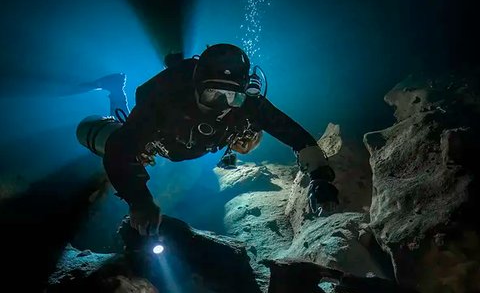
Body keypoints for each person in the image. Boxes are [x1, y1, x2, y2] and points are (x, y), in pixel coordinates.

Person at [76, 43, 338, 236]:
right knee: (118, 136)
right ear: (196, 86)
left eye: (232, 97)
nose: (222, 106)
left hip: (202, 146)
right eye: (213, 94)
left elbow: (294, 134)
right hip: (163, 142)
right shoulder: (163, 102)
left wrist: (321, 177)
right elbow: (119, 150)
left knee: (248, 137)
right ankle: (114, 92)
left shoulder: (248, 103)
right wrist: (140, 201)